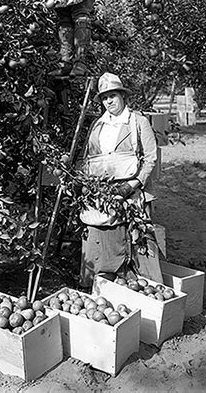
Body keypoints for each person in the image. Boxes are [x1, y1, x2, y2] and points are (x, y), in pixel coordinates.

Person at [78, 72, 162, 287]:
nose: (109, 101)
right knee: (104, 239)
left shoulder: (137, 122)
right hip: (104, 195)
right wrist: (89, 187)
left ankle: (145, 289)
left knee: (138, 241)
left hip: (132, 190)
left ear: (123, 96)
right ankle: (105, 285)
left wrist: (131, 185)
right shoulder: (97, 125)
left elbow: (151, 159)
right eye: (105, 98)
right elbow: (88, 160)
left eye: (113, 96)